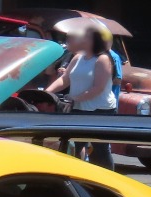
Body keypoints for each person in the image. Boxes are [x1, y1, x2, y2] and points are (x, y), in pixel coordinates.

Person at [45, 23, 117, 169]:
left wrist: (74, 98)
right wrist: (46, 93)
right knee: (74, 148)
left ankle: (108, 182)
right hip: (78, 109)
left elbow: (98, 88)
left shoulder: (103, 59)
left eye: (86, 36)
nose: (81, 39)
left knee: (100, 152)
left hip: (100, 111)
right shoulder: (78, 57)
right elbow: (65, 79)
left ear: (94, 40)